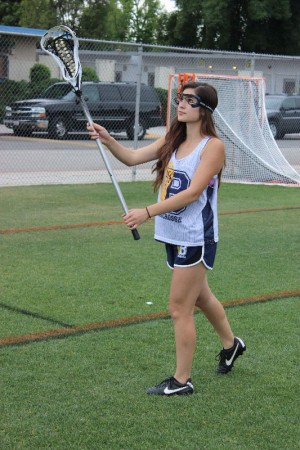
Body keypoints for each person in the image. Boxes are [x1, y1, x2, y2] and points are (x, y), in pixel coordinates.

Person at [87, 81, 246, 396]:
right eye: (181, 99)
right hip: (173, 234)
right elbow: (132, 158)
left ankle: (181, 380)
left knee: (178, 307)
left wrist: (147, 211)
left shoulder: (212, 146)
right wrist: (107, 140)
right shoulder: (172, 140)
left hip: (195, 235)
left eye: (190, 100)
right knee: (199, 297)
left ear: (205, 109)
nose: (182, 104)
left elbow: (193, 192)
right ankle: (232, 344)